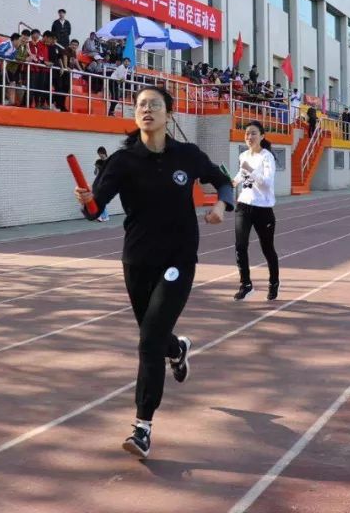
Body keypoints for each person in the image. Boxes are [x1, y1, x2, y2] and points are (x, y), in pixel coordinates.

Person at [74, 86, 234, 459]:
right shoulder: (122, 161)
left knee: (148, 341)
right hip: (137, 260)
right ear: (135, 115)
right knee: (156, 336)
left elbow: (224, 181)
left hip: (178, 258)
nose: (147, 110)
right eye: (141, 106)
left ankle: (142, 427)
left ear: (168, 114)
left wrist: (220, 207)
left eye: (155, 105)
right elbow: (96, 210)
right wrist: (87, 203)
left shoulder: (187, 155)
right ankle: (177, 348)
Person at [231, 121, 280, 302]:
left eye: (253, 133)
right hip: (244, 205)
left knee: (267, 249)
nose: (249, 137)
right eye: (247, 133)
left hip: (263, 208)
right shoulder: (243, 155)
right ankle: (246, 285)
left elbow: (267, 182)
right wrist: (232, 182)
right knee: (240, 246)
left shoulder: (267, 157)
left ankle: (274, 282)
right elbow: (241, 174)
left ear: (262, 136)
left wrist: (250, 170)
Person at [94, 146, 111, 223]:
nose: (100, 155)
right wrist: (96, 167)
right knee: (98, 199)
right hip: (99, 182)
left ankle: (103, 216)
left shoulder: (109, 161)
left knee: (101, 199)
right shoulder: (98, 162)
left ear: (104, 153)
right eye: (99, 154)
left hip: (106, 183)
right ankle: (103, 216)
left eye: (100, 154)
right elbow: (95, 173)